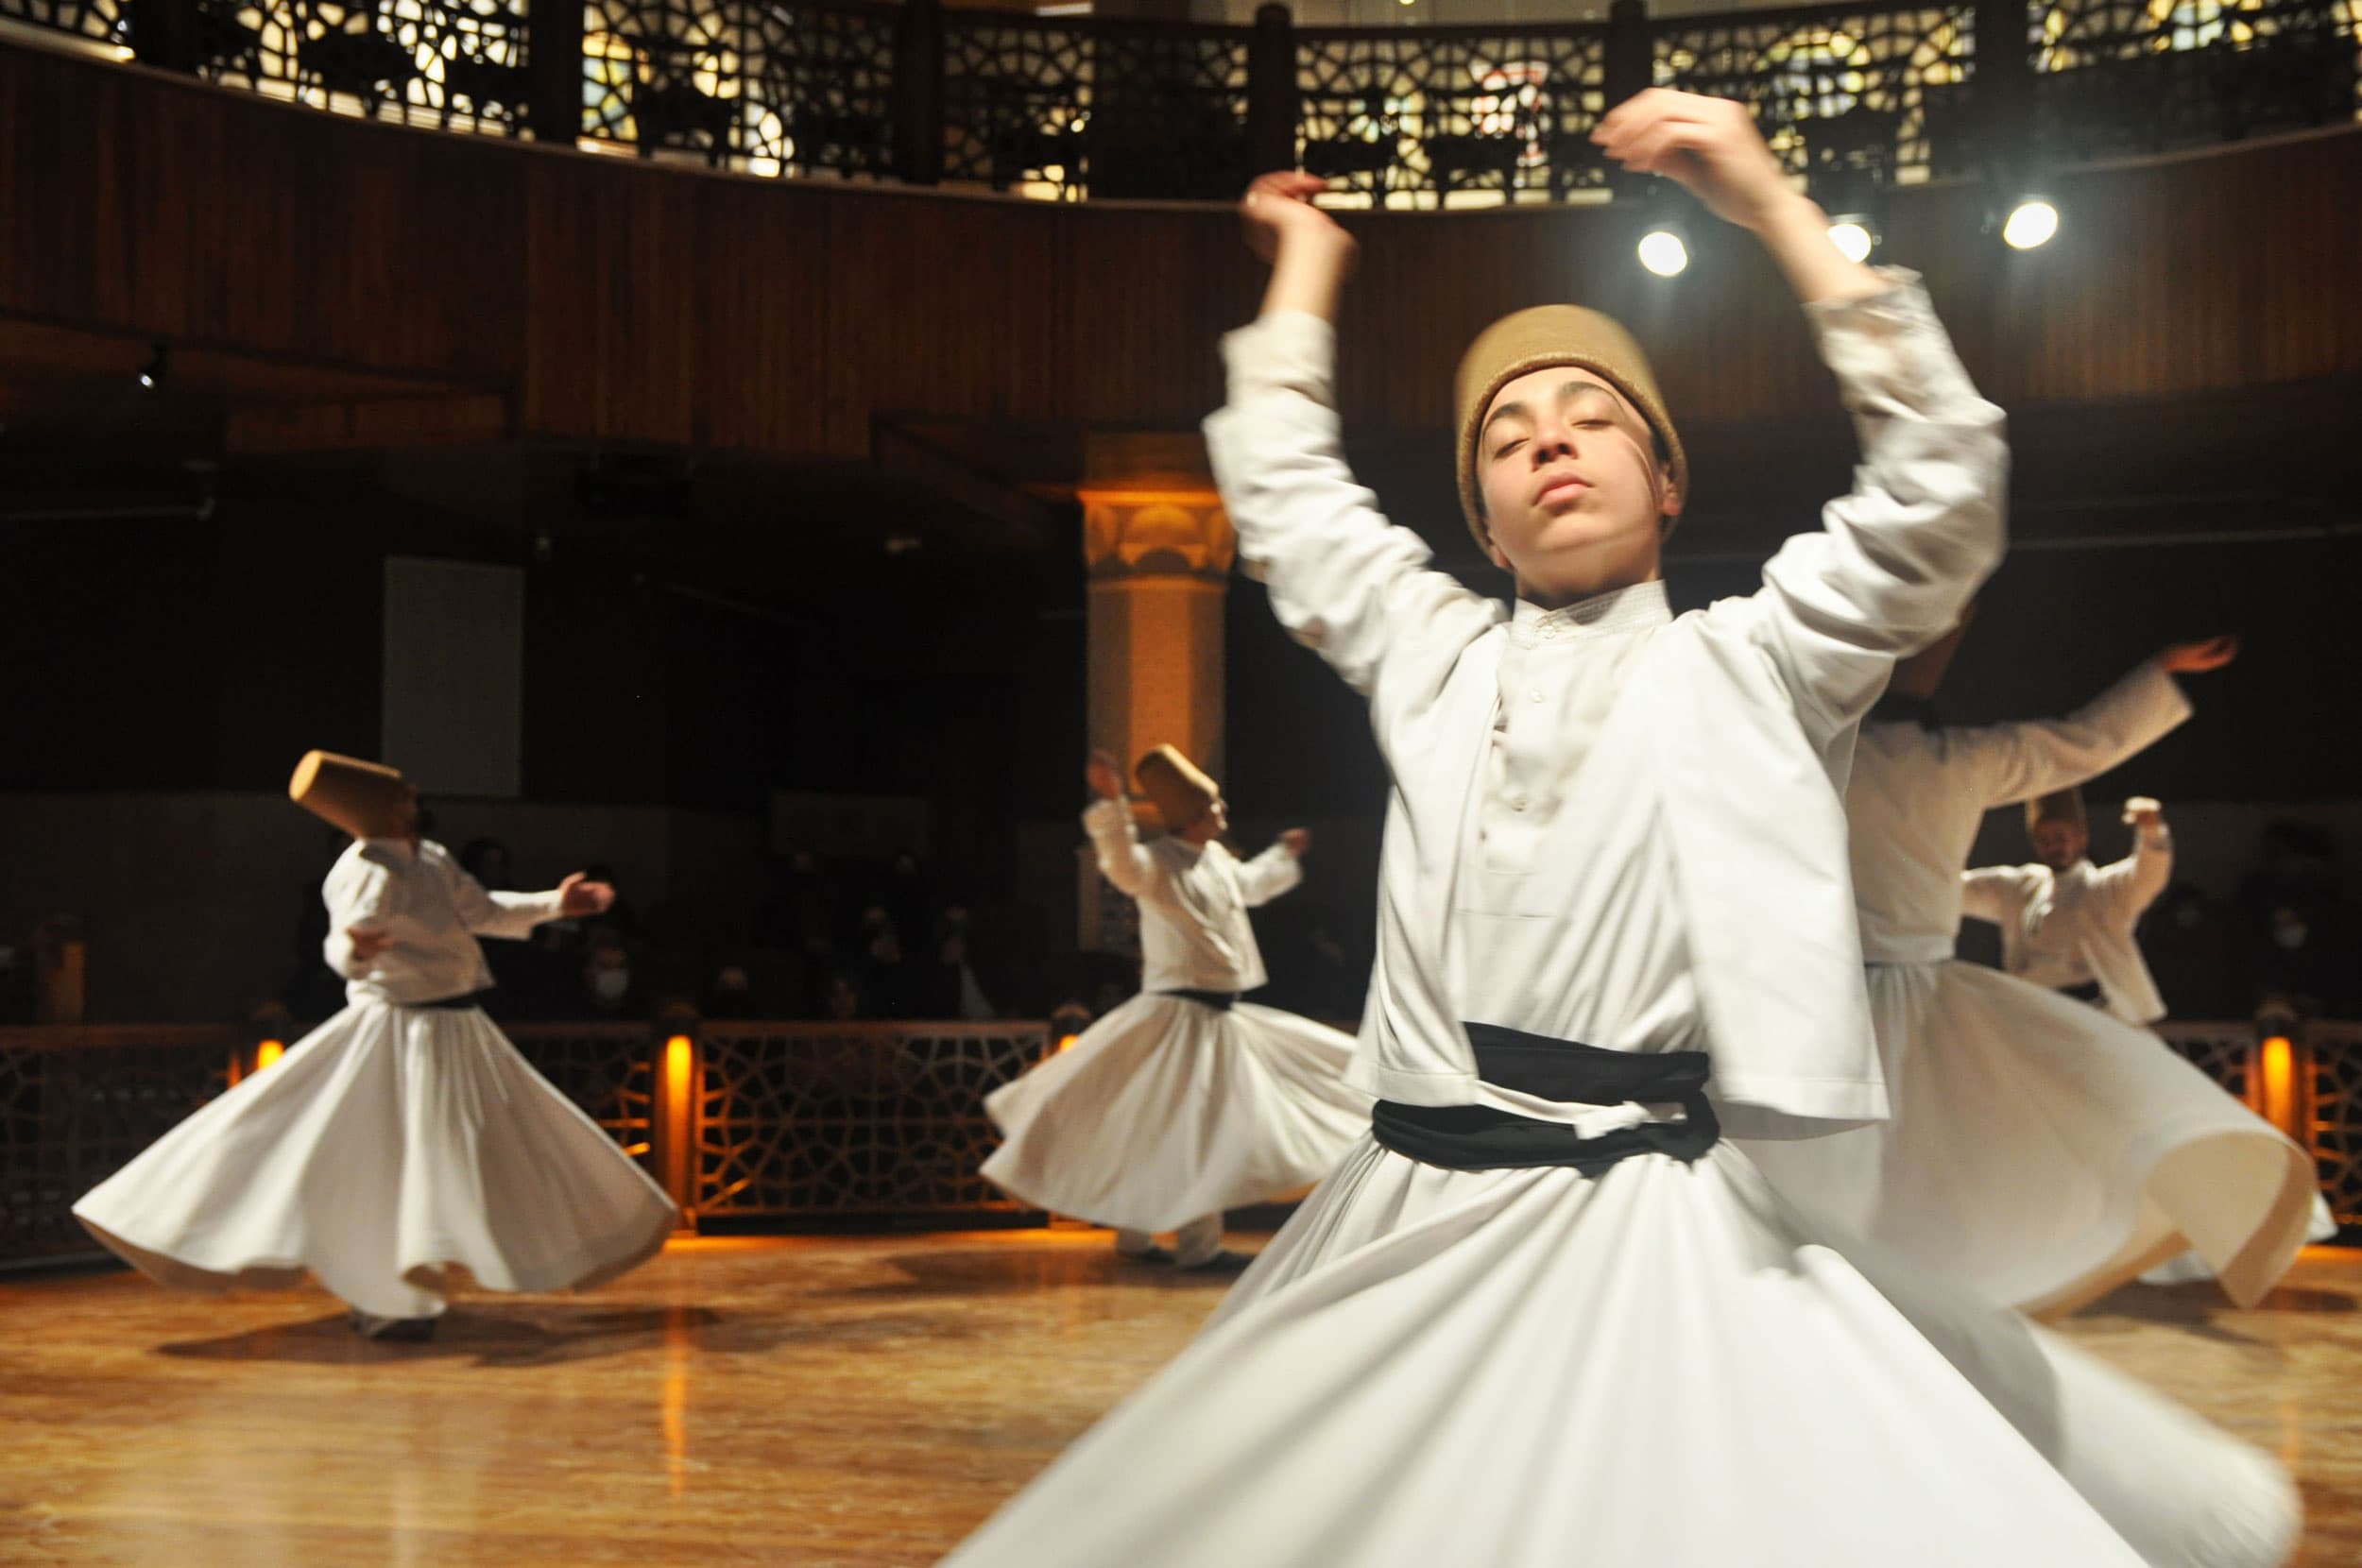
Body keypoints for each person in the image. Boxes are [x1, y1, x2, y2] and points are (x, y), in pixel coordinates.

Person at [941, 91, 2295, 1568]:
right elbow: (1286, 497)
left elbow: (1940, 491)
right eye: (1510, 438)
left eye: (1594, 419)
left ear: (1667, 484)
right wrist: (1306, 272)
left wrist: (1772, 203)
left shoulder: (1754, 661)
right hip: (1404, 1205)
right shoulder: (1432, 655)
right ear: (1482, 515)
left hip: (1638, 1204)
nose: (1552, 445)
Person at [1742, 626, 2313, 1315]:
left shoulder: (1813, 753)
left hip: (1841, 997)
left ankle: (1850, 1293)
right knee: (1900, 1164)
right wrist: (2158, 668)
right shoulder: (1953, 762)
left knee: (1857, 1168)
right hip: (1900, 996)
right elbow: (2085, 740)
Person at [74, 752, 679, 1341]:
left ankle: (409, 1290)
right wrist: (357, 951)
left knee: (472, 1149)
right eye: (404, 794)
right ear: (386, 808)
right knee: (390, 1160)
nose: (414, 800)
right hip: (400, 1029)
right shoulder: (364, 868)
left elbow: (485, 911)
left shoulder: (433, 859)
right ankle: (390, 1300)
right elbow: (342, 941)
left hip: (453, 1028)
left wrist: (555, 903)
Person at [979, 745, 1370, 1270]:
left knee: (1165, 1129)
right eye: (1216, 808)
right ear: (1192, 816)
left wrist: (1282, 855)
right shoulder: (1159, 864)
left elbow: (1251, 885)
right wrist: (1114, 802)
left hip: (1217, 1017)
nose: (1224, 815)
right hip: (1178, 1018)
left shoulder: (1216, 862)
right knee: (1192, 1129)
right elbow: (1121, 862)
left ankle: (1137, 1239)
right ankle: (1196, 1246)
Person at [1964, 788, 2176, 1023]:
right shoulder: (2020, 888)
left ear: (2080, 838)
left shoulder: (2102, 890)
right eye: (2044, 840)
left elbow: (2146, 878)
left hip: (2096, 1013)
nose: (2053, 847)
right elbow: (1962, 890)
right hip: (2033, 1011)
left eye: (2060, 838)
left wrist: (2151, 832)